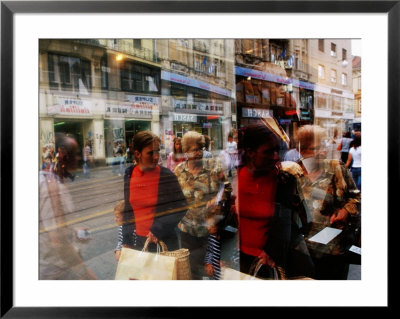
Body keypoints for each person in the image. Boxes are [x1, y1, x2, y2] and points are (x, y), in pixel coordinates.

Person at [233, 122, 312, 279]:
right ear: (250, 152)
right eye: (269, 152)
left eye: (277, 150)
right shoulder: (237, 178)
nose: (276, 156)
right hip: (243, 258)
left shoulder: (284, 181)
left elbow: (286, 227)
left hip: (272, 261)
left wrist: (271, 253)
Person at [295, 125, 361, 279]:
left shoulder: (336, 167)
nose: (322, 152)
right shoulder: (294, 174)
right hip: (304, 252)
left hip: (335, 251)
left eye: (323, 146)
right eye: (315, 148)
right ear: (301, 150)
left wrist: (346, 211)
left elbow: (357, 197)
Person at [39, 133, 97, 280]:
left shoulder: (45, 179)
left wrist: (71, 231)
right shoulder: (52, 188)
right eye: (75, 154)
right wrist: (87, 275)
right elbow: (58, 241)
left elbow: (49, 225)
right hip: (56, 271)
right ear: (62, 153)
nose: (78, 159)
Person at [121, 131, 187, 253]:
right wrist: (125, 241)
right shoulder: (129, 174)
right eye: (150, 153)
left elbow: (181, 207)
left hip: (162, 242)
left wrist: (157, 229)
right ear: (137, 154)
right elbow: (128, 209)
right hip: (138, 243)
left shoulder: (166, 176)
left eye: (157, 151)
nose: (156, 156)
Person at [174, 131, 227, 279]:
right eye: (195, 150)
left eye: (201, 149)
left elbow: (226, 187)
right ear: (185, 152)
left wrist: (217, 199)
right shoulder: (178, 171)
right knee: (191, 269)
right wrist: (178, 219)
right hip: (187, 230)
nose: (199, 153)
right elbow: (174, 197)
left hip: (209, 230)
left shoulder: (213, 167)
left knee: (212, 270)